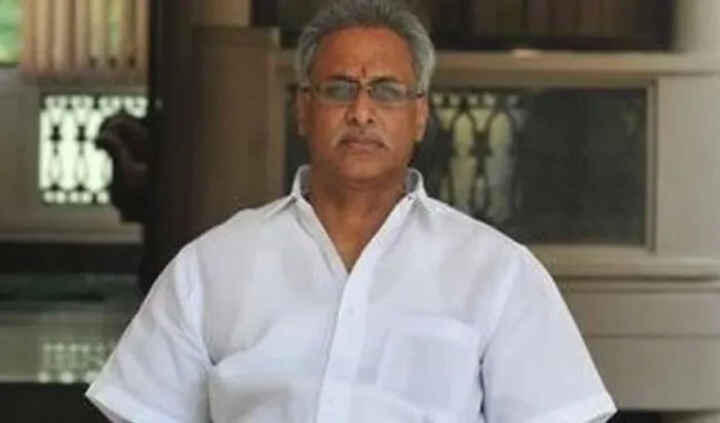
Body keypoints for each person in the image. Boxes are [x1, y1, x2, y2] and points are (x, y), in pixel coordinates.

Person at [86, 0, 617, 421]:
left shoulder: (497, 272)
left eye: (385, 92)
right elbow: (143, 408)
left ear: (419, 115)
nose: (361, 112)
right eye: (340, 89)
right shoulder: (213, 266)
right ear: (303, 108)